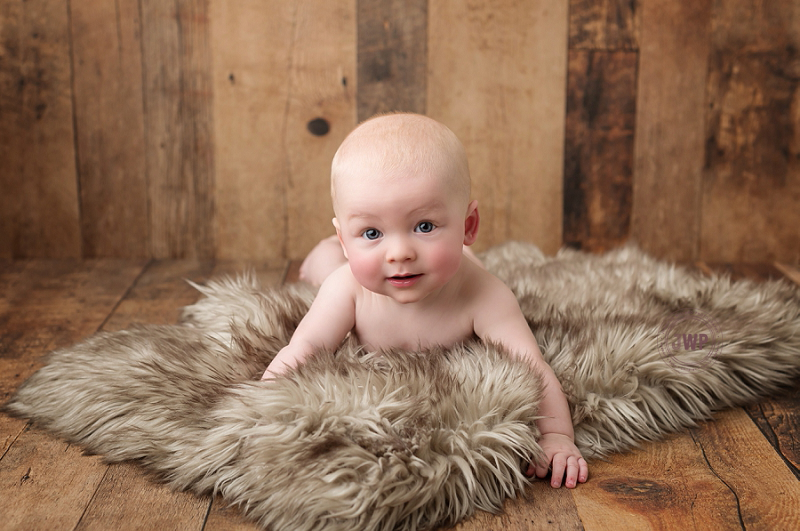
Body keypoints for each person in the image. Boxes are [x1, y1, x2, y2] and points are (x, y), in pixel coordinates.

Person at [261, 113, 588, 489]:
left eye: (424, 226)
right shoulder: (348, 288)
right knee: (326, 269)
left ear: (468, 226)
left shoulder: (485, 295)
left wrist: (557, 437)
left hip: (458, 271)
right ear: (347, 236)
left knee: (459, 264)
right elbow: (304, 347)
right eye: (371, 231)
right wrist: (260, 405)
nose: (399, 252)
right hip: (348, 268)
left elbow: (532, 366)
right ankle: (328, 249)